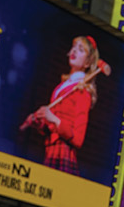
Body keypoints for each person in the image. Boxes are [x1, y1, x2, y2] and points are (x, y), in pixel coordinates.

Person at [19, 36, 110, 170]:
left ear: (87, 62)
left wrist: (54, 119)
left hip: (63, 153)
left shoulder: (82, 92)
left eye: (80, 49)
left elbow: (78, 139)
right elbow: (51, 128)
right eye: (74, 47)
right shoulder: (61, 87)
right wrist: (40, 122)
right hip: (50, 151)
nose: (74, 51)